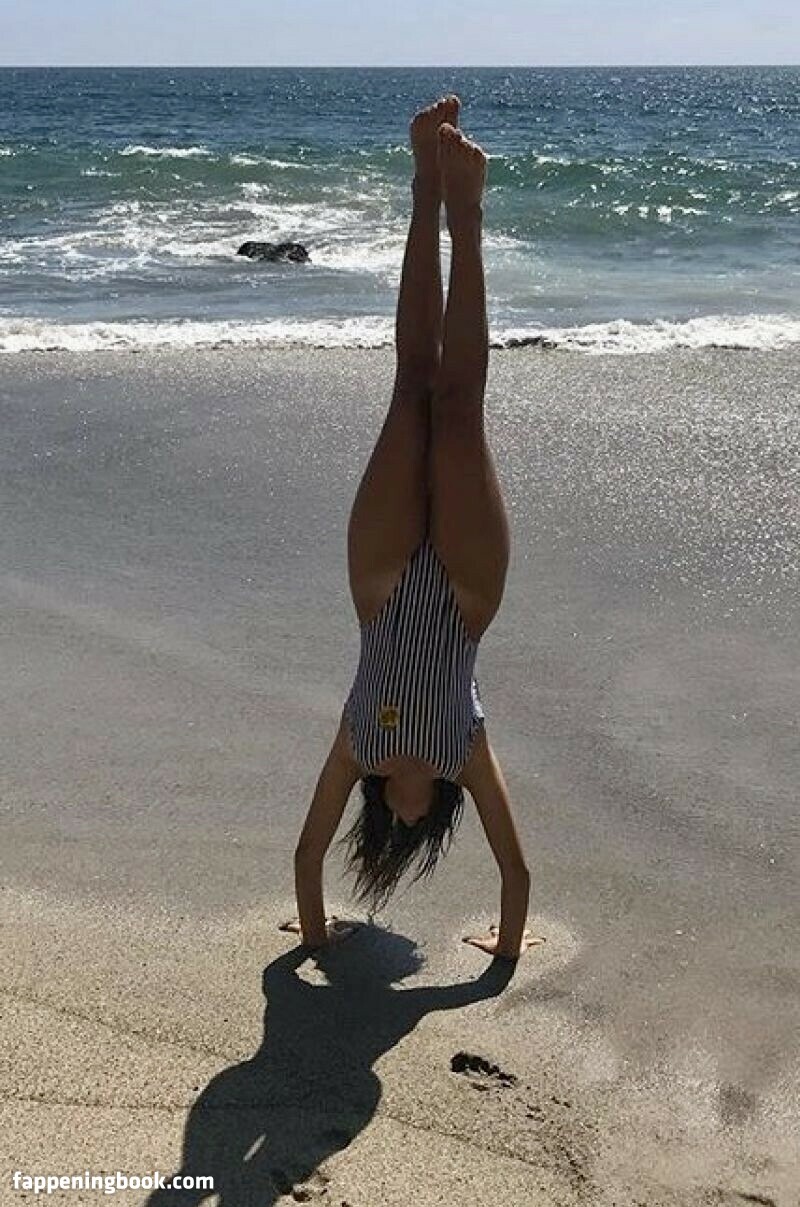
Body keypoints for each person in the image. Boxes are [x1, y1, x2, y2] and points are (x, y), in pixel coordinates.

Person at [284, 97, 541, 962]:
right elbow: (517, 871)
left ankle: (425, 187)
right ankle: (467, 217)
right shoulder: (466, 754)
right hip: (468, 593)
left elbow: (307, 854)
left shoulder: (358, 747)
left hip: (381, 580)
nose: (403, 818)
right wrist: (507, 947)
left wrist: (313, 937)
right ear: (432, 815)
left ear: (379, 812)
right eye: (415, 826)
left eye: (390, 826)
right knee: (459, 406)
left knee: (409, 385)